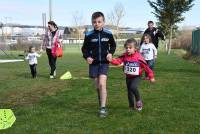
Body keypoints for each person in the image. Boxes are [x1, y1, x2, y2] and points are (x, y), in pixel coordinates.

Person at [81, 11, 116, 117]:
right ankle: (101, 100)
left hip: (104, 63)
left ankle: (103, 108)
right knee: (97, 86)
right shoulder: (89, 35)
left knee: (102, 84)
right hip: (94, 64)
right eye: (94, 22)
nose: (97, 24)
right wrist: (87, 57)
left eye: (99, 21)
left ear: (103, 22)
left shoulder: (108, 33)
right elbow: (84, 49)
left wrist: (110, 53)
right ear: (92, 23)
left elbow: (113, 45)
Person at [110, 38, 155, 111]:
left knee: (133, 87)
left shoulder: (139, 57)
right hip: (128, 77)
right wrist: (111, 60)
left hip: (137, 76)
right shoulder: (124, 56)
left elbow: (146, 67)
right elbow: (118, 61)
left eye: (130, 48)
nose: (128, 49)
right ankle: (131, 106)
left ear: (135, 48)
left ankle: (138, 101)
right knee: (129, 92)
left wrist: (151, 76)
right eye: (126, 48)